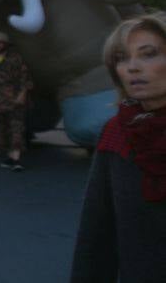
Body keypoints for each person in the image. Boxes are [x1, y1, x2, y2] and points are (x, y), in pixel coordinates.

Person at [71, 14, 166, 282]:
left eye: (148, 54)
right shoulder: (117, 133)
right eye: (122, 58)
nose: (133, 67)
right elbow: (97, 229)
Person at [0, 31, 32, 171]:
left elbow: (26, 79)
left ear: (6, 44)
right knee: (2, 131)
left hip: (14, 101)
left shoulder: (15, 59)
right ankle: (10, 157)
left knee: (16, 129)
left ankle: (17, 159)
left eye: (0, 42)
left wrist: (22, 94)